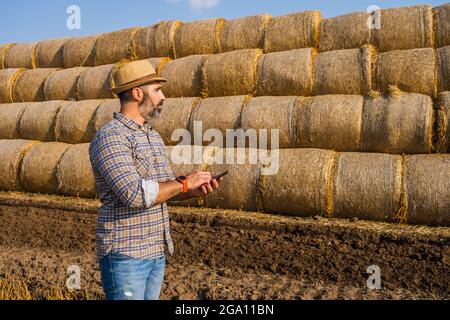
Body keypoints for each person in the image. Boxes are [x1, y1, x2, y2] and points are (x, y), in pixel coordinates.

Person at [89, 59, 222, 300]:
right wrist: (184, 182)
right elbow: (135, 194)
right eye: (157, 90)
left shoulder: (153, 137)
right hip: (126, 254)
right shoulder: (111, 137)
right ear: (138, 93)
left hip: (156, 250)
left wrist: (191, 190)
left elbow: (162, 189)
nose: (163, 97)